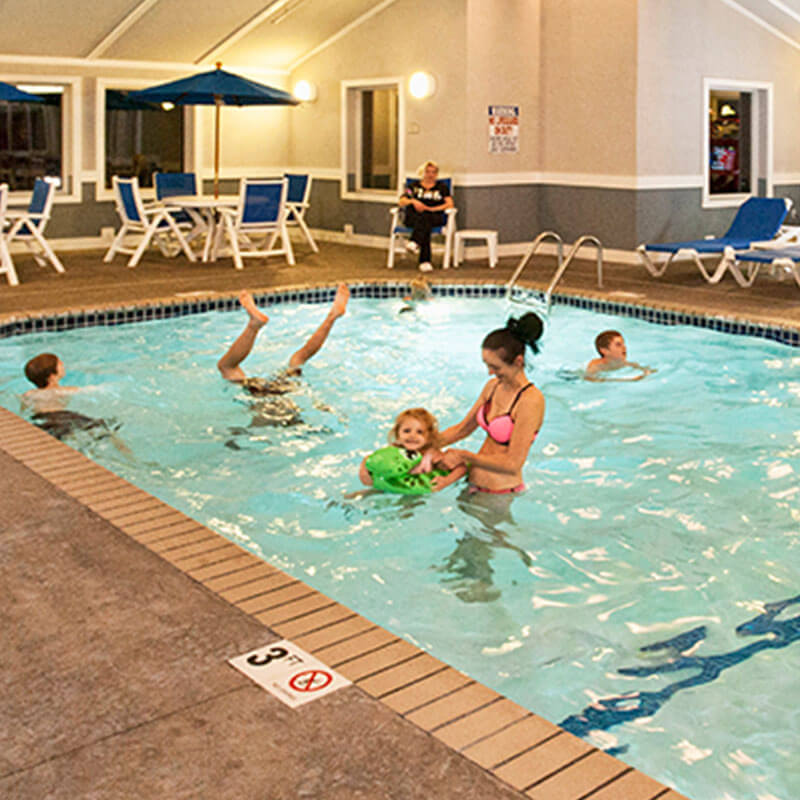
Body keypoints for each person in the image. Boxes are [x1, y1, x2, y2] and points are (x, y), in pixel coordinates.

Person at [437, 313, 546, 494]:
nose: (489, 372)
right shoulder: (493, 386)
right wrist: (421, 443)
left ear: (518, 361)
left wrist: (465, 456)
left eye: (495, 367)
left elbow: (513, 463)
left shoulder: (530, 400)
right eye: (486, 365)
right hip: (472, 485)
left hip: (499, 493)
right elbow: (462, 429)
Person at [21, 353, 127, 450]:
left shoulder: (28, 394)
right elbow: (91, 390)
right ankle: (128, 456)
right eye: (59, 363)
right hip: (62, 418)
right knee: (108, 428)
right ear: (52, 376)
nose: (62, 364)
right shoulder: (63, 391)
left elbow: (23, 412)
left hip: (40, 421)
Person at [358, 407, 466, 494]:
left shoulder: (431, 455)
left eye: (419, 432)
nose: (412, 436)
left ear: (428, 437)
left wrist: (447, 481)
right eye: (407, 431)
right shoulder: (396, 449)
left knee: (409, 504)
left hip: (418, 490)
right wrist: (364, 470)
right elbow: (372, 459)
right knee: (372, 490)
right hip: (397, 483)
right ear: (398, 434)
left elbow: (461, 467)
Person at [398, 160, 454, 273]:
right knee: (424, 224)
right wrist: (413, 201)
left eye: (433, 172)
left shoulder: (441, 188)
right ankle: (424, 261)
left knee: (425, 218)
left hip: (433, 216)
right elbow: (402, 200)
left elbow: (449, 204)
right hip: (414, 217)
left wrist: (431, 209)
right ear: (423, 173)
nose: (430, 175)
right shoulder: (413, 186)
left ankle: (415, 242)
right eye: (428, 172)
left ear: (437, 174)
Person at [585, 330, 655, 382]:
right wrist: (627, 380)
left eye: (623, 344)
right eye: (618, 345)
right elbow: (591, 380)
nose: (624, 347)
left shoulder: (625, 363)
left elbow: (645, 370)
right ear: (604, 351)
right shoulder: (596, 366)